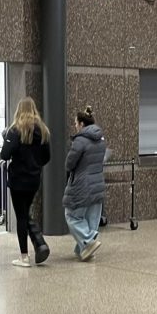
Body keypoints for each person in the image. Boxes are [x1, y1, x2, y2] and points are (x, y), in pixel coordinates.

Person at [0, 97, 52, 268]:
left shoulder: (15, 130)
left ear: (19, 110)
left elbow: (5, 155)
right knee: (25, 213)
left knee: (21, 216)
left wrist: (7, 139)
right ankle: (39, 242)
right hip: (34, 179)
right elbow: (47, 157)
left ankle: (24, 257)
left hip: (17, 180)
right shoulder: (43, 130)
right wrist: (34, 164)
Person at [63, 106, 107, 261]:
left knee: (72, 215)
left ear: (81, 124)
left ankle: (88, 243)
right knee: (91, 219)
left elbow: (69, 164)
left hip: (82, 185)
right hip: (98, 184)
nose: (75, 126)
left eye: (76, 123)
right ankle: (86, 250)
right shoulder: (101, 139)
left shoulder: (80, 140)